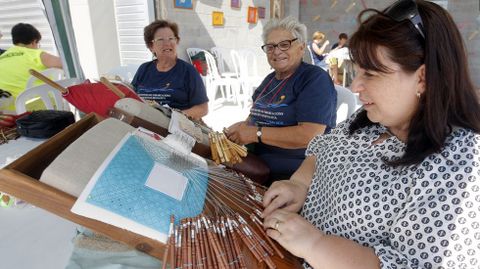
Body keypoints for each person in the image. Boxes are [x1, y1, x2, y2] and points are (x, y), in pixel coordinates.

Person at [261, 1, 480, 268]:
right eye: (357, 70)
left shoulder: (455, 162)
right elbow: (323, 148)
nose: (355, 86)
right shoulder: (371, 119)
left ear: (422, 78)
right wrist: (299, 185)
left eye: (371, 73)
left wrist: (316, 244)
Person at [226, 16, 337, 184]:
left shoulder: (314, 79)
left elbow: (310, 135)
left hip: (293, 175)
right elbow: (254, 118)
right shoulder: (269, 80)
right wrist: (239, 128)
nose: (276, 51)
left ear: (301, 48)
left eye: (285, 44)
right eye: (270, 47)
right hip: (256, 163)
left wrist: (255, 133)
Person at [131, 20, 208, 120]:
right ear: (151, 47)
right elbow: (131, 96)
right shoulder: (144, 69)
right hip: (144, 124)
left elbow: (202, 108)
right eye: (160, 39)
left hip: (175, 128)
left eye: (171, 38)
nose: (167, 43)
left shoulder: (188, 71)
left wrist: (173, 118)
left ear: (176, 42)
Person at [0, 23, 62, 113]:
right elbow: (66, 64)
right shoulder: (35, 54)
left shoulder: (2, 57)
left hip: (11, 114)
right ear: (34, 42)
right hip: (42, 110)